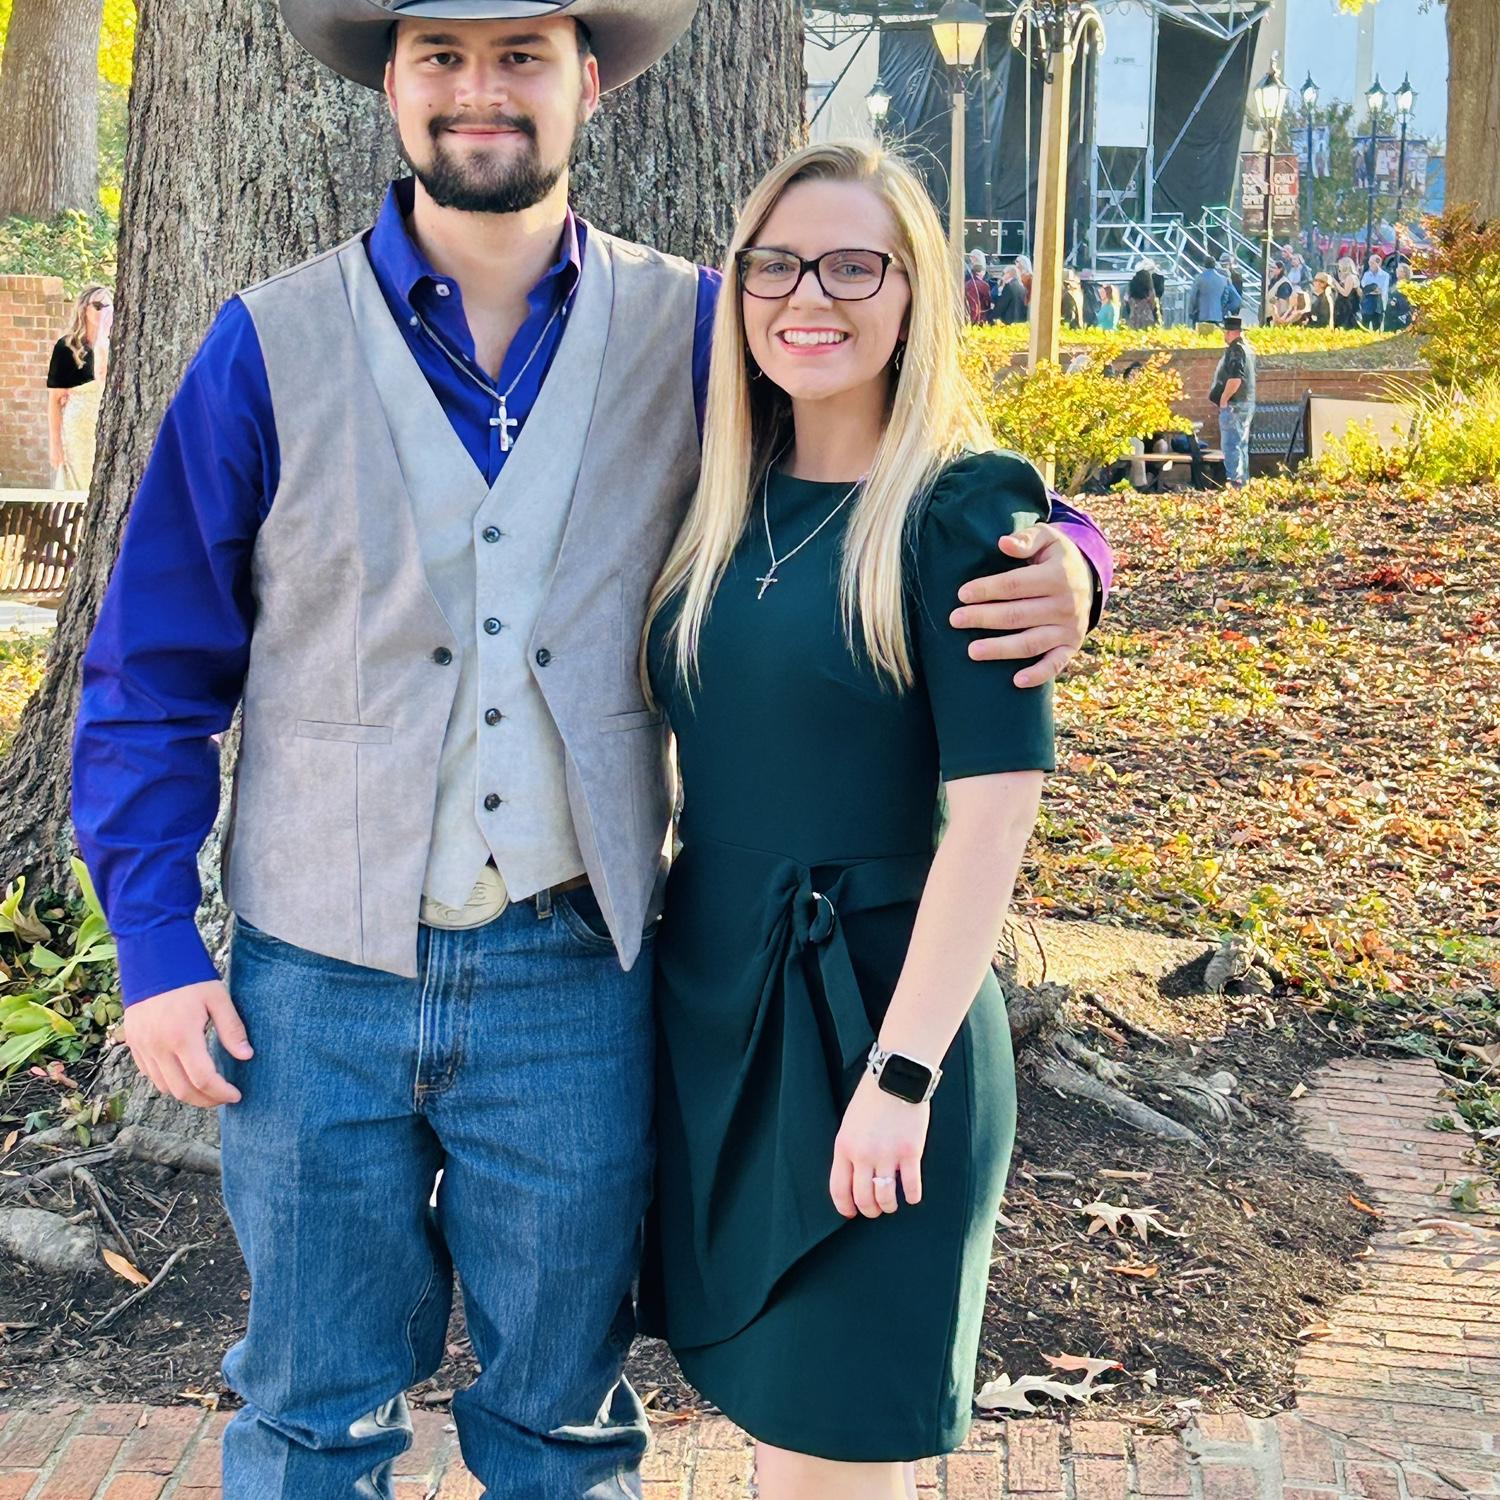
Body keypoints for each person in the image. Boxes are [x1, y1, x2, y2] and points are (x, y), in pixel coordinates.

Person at [69, 3, 1116, 1495]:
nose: (479, 90)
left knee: (561, 1418)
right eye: (441, 55)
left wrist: (1073, 552)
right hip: (315, 977)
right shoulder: (264, 346)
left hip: (576, 975)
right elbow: (148, 672)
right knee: (306, 1413)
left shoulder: (701, 325)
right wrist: (156, 945)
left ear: (592, 82)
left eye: (521, 55)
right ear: (392, 83)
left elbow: (896, 443)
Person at [641, 139, 1055, 1500]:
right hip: (718, 1017)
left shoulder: (960, 510)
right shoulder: (717, 498)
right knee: (779, 1440)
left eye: (853, 266)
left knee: (834, 1457)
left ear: (914, 291)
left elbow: (994, 820)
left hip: (878, 1023)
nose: (808, 295)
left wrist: (904, 1074)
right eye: (775, 265)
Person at [46, 284, 113, 489]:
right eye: (98, 306)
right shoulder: (67, 347)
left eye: (108, 306)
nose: (103, 311)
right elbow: (54, 400)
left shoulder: (117, 345)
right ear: (84, 308)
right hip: (77, 430)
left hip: (109, 426)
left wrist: (102, 341)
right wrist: (55, 444)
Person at [1211, 314, 1256, 486]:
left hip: (1234, 404)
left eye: (1225, 331)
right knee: (1241, 444)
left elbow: (1236, 378)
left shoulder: (1236, 350)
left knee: (1231, 445)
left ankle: (1236, 483)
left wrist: (1224, 399)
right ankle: (1242, 483)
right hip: (1245, 402)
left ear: (1230, 332)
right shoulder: (1247, 349)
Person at [1188, 255, 1240, 333]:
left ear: (1204, 265)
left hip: (1202, 315)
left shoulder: (1199, 278)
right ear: (1215, 265)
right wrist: (1222, 308)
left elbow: (1193, 297)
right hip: (1217, 315)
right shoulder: (1223, 279)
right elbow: (1225, 297)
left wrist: (1191, 311)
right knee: (1215, 336)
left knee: (1202, 337)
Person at [1125, 258, 1160, 328]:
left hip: (1134, 317)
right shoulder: (1149, 286)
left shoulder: (1132, 285)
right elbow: (1153, 303)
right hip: (1146, 317)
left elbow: (1126, 300)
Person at [1360, 251, 1390, 329]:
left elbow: (1383, 290)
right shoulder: (1366, 274)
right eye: (1369, 262)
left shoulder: (1385, 275)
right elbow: (1364, 288)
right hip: (1367, 302)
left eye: (1372, 263)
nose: (1370, 264)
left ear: (1378, 263)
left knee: (1377, 326)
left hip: (1378, 303)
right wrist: (1372, 290)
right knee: (1364, 326)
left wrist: (1371, 290)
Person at [964, 249, 992, 324]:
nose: (971, 260)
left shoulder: (985, 281)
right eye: (971, 258)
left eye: (973, 258)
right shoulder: (969, 274)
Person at [1333, 256, 1362, 329]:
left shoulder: (1350, 277)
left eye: (1340, 265)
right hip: (1344, 305)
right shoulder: (1346, 277)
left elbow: (1346, 293)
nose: (1339, 267)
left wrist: (1335, 283)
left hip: (1348, 306)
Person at [1385, 262, 1414, 330]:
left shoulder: (1408, 286)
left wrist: (1396, 302)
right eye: (1397, 270)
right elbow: (1389, 295)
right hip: (1390, 315)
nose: (1397, 272)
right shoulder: (1394, 284)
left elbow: (1407, 301)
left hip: (1402, 315)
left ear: (1405, 273)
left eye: (1400, 271)